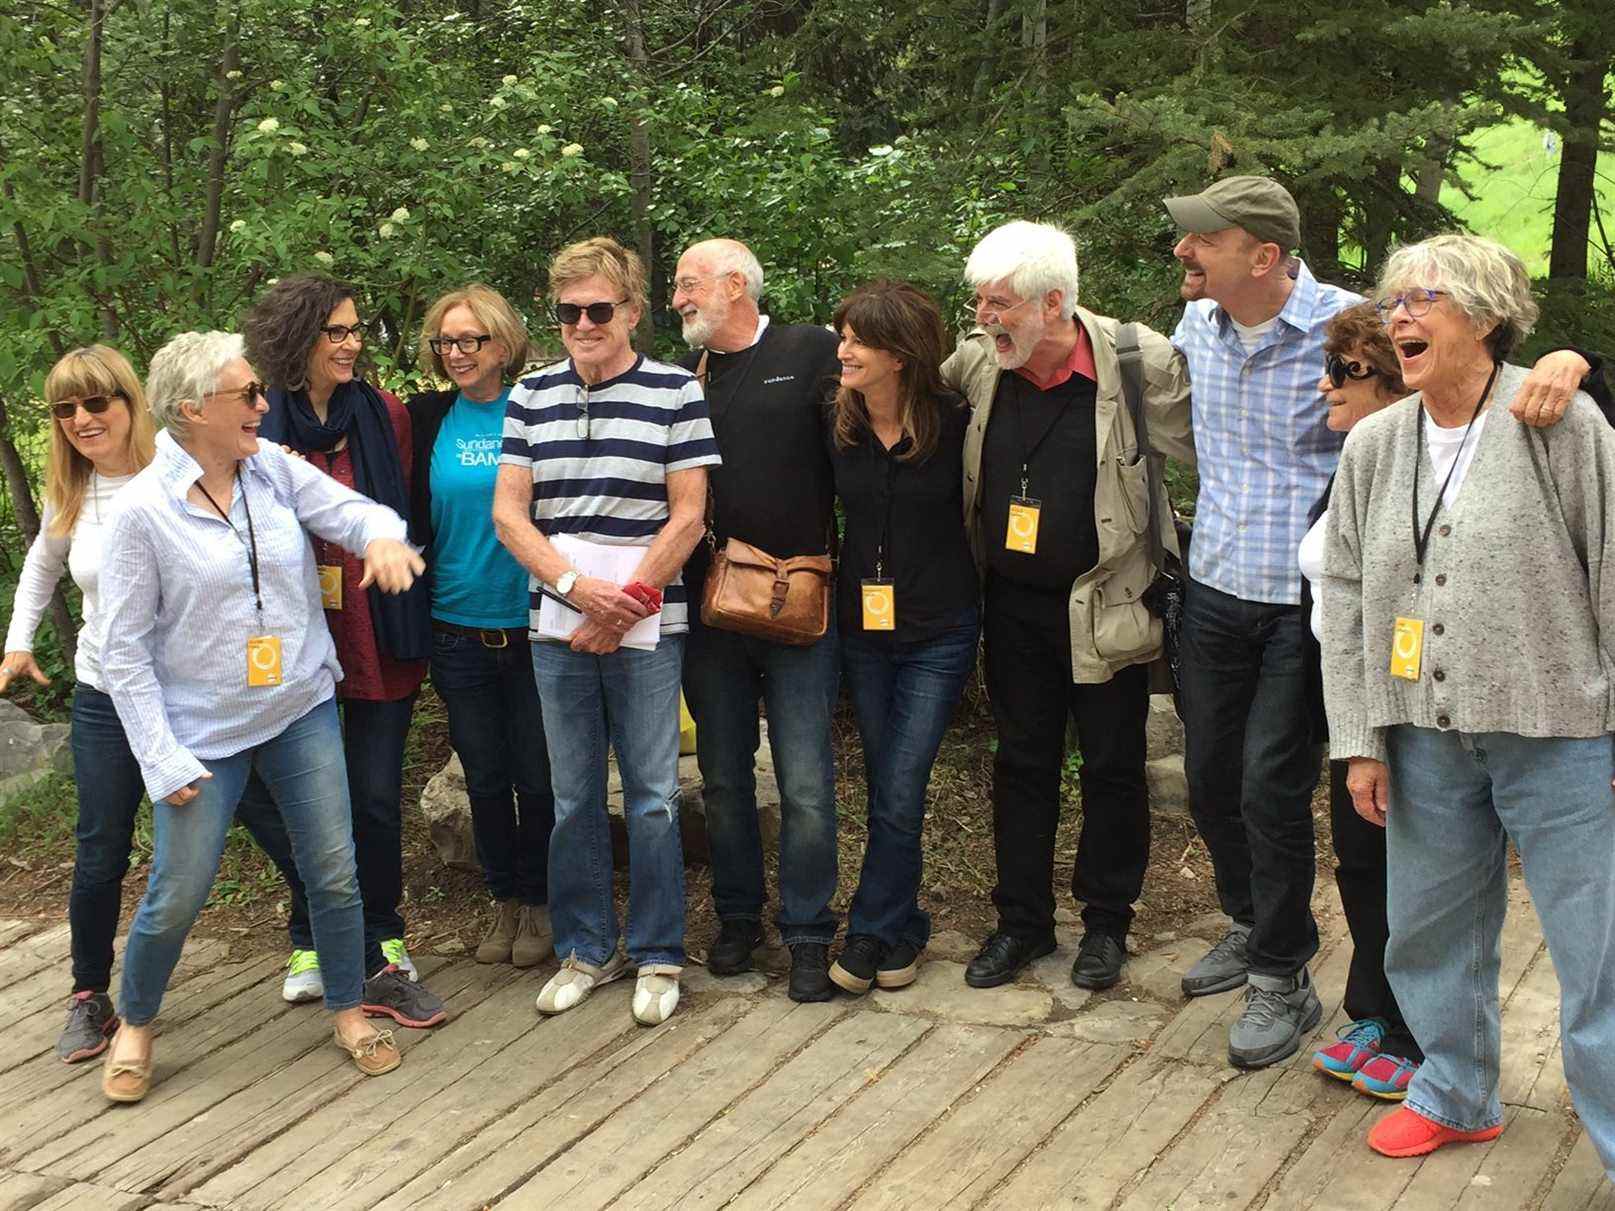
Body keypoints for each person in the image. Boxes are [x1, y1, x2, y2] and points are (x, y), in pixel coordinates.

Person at [1161, 175, 1593, 1069]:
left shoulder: (1381, 339)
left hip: (1353, 628)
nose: (1182, 252)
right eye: (1396, 300)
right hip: (1230, 598)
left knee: (1280, 794)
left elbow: (1481, 363)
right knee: (1223, 788)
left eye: (1201, 238)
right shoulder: (1196, 334)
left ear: (1264, 253)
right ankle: (1293, 953)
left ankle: (1292, 975)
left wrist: (1569, 359)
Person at [1321, 234, 1615, 1176]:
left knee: (1596, 948)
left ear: (1485, 317)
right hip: (1420, 738)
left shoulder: (1558, 423)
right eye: (1392, 301)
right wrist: (1361, 738)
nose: (1399, 315)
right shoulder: (1374, 441)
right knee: (1429, 928)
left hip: (1561, 732)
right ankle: (1453, 1090)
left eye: (1424, 299)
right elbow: (1349, 594)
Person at [95, 331, 427, 1100]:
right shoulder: (144, 512)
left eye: (258, 391)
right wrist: (161, 755)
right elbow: (122, 651)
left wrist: (381, 538)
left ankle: (348, 1008)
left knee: (334, 872)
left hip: (299, 706)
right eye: (245, 394)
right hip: (201, 732)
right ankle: (137, 1020)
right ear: (191, 409)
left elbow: (351, 511)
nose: (262, 403)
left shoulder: (271, 469)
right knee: (179, 887)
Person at [0, 346, 305, 1065]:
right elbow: (41, 572)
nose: (81, 419)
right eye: (64, 409)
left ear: (133, 401)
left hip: (199, 695)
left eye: (97, 402)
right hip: (109, 696)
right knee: (100, 844)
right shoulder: (69, 494)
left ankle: (317, 940)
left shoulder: (181, 472)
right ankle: (88, 995)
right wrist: (17, 644)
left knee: (270, 815)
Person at [942, 221, 1194, 992]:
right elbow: (903, 384)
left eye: (1001, 303)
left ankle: (1106, 925)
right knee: (1021, 765)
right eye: (979, 301)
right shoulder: (982, 363)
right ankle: (1020, 923)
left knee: (1114, 767)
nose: (985, 317)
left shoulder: (1134, 361)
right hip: (1013, 606)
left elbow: (1220, 442)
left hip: (1107, 602)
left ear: (1053, 303)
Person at [494, 236, 719, 1026]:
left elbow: (689, 512)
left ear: (630, 311)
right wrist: (574, 590)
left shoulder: (673, 393)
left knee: (654, 795)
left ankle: (658, 951)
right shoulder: (529, 396)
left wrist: (627, 599)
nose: (583, 323)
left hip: (649, 626)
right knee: (572, 796)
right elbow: (509, 514)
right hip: (558, 624)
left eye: (598, 309)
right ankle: (585, 948)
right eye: (568, 311)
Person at [243, 275, 445, 1029]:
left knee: (374, 797)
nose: (353, 342)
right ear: (297, 341)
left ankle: (383, 934)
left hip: (376, 634)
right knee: (301, 800)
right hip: (292, 644)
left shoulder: (383, 413)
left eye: (356, 328)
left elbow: (399, 510)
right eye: (336, 331)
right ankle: (309, 938)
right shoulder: (258, 422)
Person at [671, 238, 843, 1002]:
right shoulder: (686, 381)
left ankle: (807, 930)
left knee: (805, 782)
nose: (677, 300)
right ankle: (738, 917)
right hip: (714, 613)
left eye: (687, 285)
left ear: (734, 283)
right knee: (723, 779)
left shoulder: (811, 350)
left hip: (802, 604)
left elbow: (860, 452)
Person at [823, 281, 978, 995]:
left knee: (901, 783)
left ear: (899, 352)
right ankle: (904, 925)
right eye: (842, 336)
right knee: (887, 783)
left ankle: (866, 931)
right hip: (864, 630)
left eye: (857, 339)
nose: (843, 349)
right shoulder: (835, 421)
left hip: (938, 631)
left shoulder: (955, 422)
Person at [1296, 304, 1424, 1099]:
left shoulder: (1424, 461)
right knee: (1361, 862)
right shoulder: (1353, 461)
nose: (1324, 385)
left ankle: (1420, 1032)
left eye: (1343, 371)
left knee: (1418, 869)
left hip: (1407, 701)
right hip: (1348, 701)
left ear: (1388, 377)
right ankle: (1374, 1008)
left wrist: (1575, 363)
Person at [408, 285, 554, 968]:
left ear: (503, 343)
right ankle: (503, 896)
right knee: (486, 776)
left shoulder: (537, 407)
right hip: (456, 626)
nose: (457, 353)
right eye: (445, 341)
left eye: (470, 340)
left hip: (531, 623)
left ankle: (542, 898)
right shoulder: (427, 418)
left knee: (538, 773)